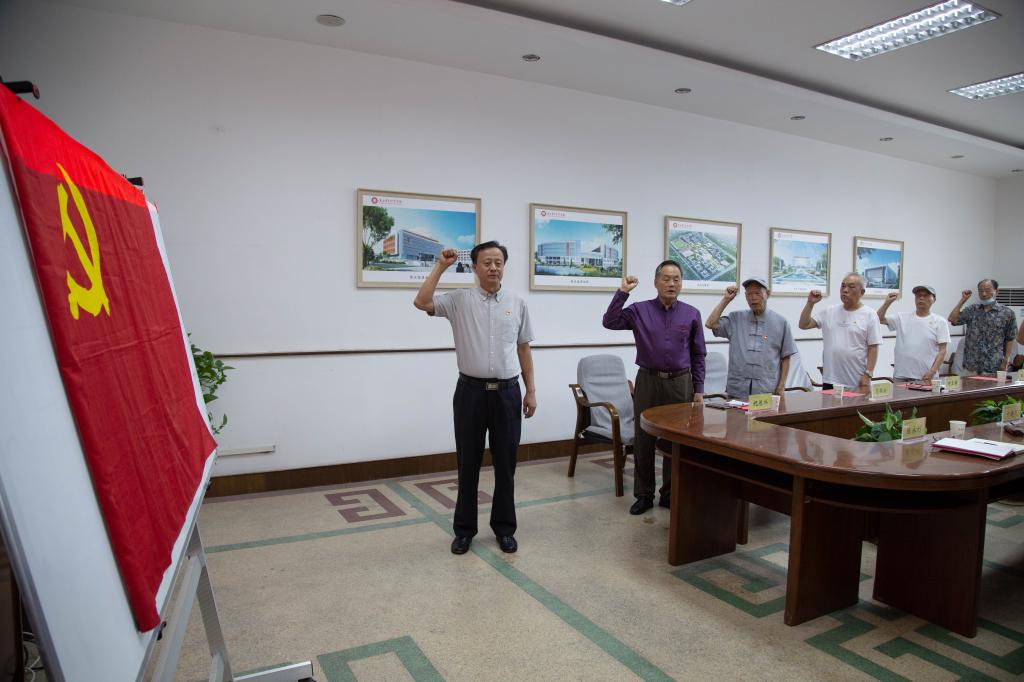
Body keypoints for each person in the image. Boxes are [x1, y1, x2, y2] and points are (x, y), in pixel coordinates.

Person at [413, 241, 536, 555]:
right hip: (470, 393)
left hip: (508, 394)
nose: (493, 267)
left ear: (504, 266)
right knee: (467, 464)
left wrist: (531, 390)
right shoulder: (459, 301)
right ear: (475, 267)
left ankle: (504, 529)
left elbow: (524, 348)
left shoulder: (517, 303)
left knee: (506, 466)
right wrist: (441, 266)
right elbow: (421, 301)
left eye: (498, 262)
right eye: (487, 262)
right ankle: (464, 531)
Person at [602, 260, 705, 515]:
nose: (672, 284)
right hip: (648, 380)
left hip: (680, 382)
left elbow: (698, 354)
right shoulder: (639, 310)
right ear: (656, 282)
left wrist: (699, 389)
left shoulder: (691, 313)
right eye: (666, 279)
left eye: (676, 279)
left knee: (675, 440)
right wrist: (622, 293)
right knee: (644, 438)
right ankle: (644, 495)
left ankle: (669, 494)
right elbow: (609, 321)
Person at [704, 276, 797, 399]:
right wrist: (726, 300)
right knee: (735, 412)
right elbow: (710, 324)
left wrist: (781, 386)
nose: (753, 298)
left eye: (757, 293)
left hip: (766, 390)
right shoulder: (736, 318)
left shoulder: (781, 322)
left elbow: (786, 357)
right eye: (749, 294)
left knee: (763, 413)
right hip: (737, 389)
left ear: (767, 294)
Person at [799, 273, 881, 392]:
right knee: (829, 404)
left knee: (854, 405)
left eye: (851, 287)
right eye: (843, 286)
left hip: (856, 379)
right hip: (830, 379)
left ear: (862, 292)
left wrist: (868, 374)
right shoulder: (829, 311)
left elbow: (873, 347)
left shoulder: (870, 315)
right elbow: (804, 324)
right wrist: (810, 303)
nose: (845, 290)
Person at [876, 285, 950, 381]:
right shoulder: (902, 318)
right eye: (918, 295)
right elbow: (878, 319)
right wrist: (887, 303)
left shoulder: (940, 321)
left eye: (925, 295)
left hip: (926, 376)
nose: (921, 298)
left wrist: (932, 371)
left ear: (933, 300)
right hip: (901, 375)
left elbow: (942, 351)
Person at [948, 279, 1017, 375]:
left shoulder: (1007, 313)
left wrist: (1006, 360)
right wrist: (963, 300)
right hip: (971, 366)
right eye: (980, 291)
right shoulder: (972, 310)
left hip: (993, 366)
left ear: (996, 291)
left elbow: (1010, 338)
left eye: (987, 290)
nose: (984, 294)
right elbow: (952, 319)